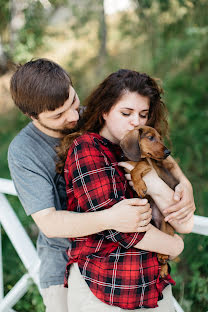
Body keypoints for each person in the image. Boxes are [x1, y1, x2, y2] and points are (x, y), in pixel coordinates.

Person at [8, 59, 155, 312]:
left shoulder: (95, 116)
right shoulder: (23, 151)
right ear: (31, 116)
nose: (74, 117)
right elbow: (50, 223)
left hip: (119, 260)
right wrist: (111, 218)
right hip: (64, 267)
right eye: (58, 115)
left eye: (73, 101)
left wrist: (182, 181)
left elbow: (142, 139)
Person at [57, 69, 195, 311]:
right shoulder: (88, 148)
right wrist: (175, 246)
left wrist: (182, 182)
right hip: (105, 291)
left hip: (153, 287)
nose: (136, 122)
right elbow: (119, 228)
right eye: (126, 113)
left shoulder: (140, 152)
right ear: (104, 111)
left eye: (143, 114)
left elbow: (180, 218)